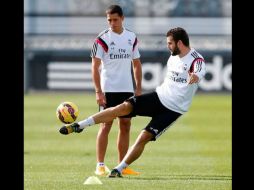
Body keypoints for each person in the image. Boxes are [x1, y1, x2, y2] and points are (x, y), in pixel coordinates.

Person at [59, 27, 206, 178]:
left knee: (144, 137)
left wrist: (195, 76)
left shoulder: (196, 59)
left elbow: (199, 70)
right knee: (123, 107)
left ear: (179, 43)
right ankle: (80, 125)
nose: (168, 46)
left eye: (170, 43)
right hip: (158, 97)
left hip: (173, 109)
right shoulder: (172, 57)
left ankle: (119, 168)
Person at [90, 5, 142, 176]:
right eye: (109, 20)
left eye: (115, 19)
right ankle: (100, 165)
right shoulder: (102, 39)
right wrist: (98, 91)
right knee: (105, 125)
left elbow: (136, 64)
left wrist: (138, 88)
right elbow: (95, 66)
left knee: (126, 125)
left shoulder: (131, 37)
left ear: (122, 18)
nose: (112, 23)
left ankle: (122, 166)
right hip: (109, 89)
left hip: (126, 89)